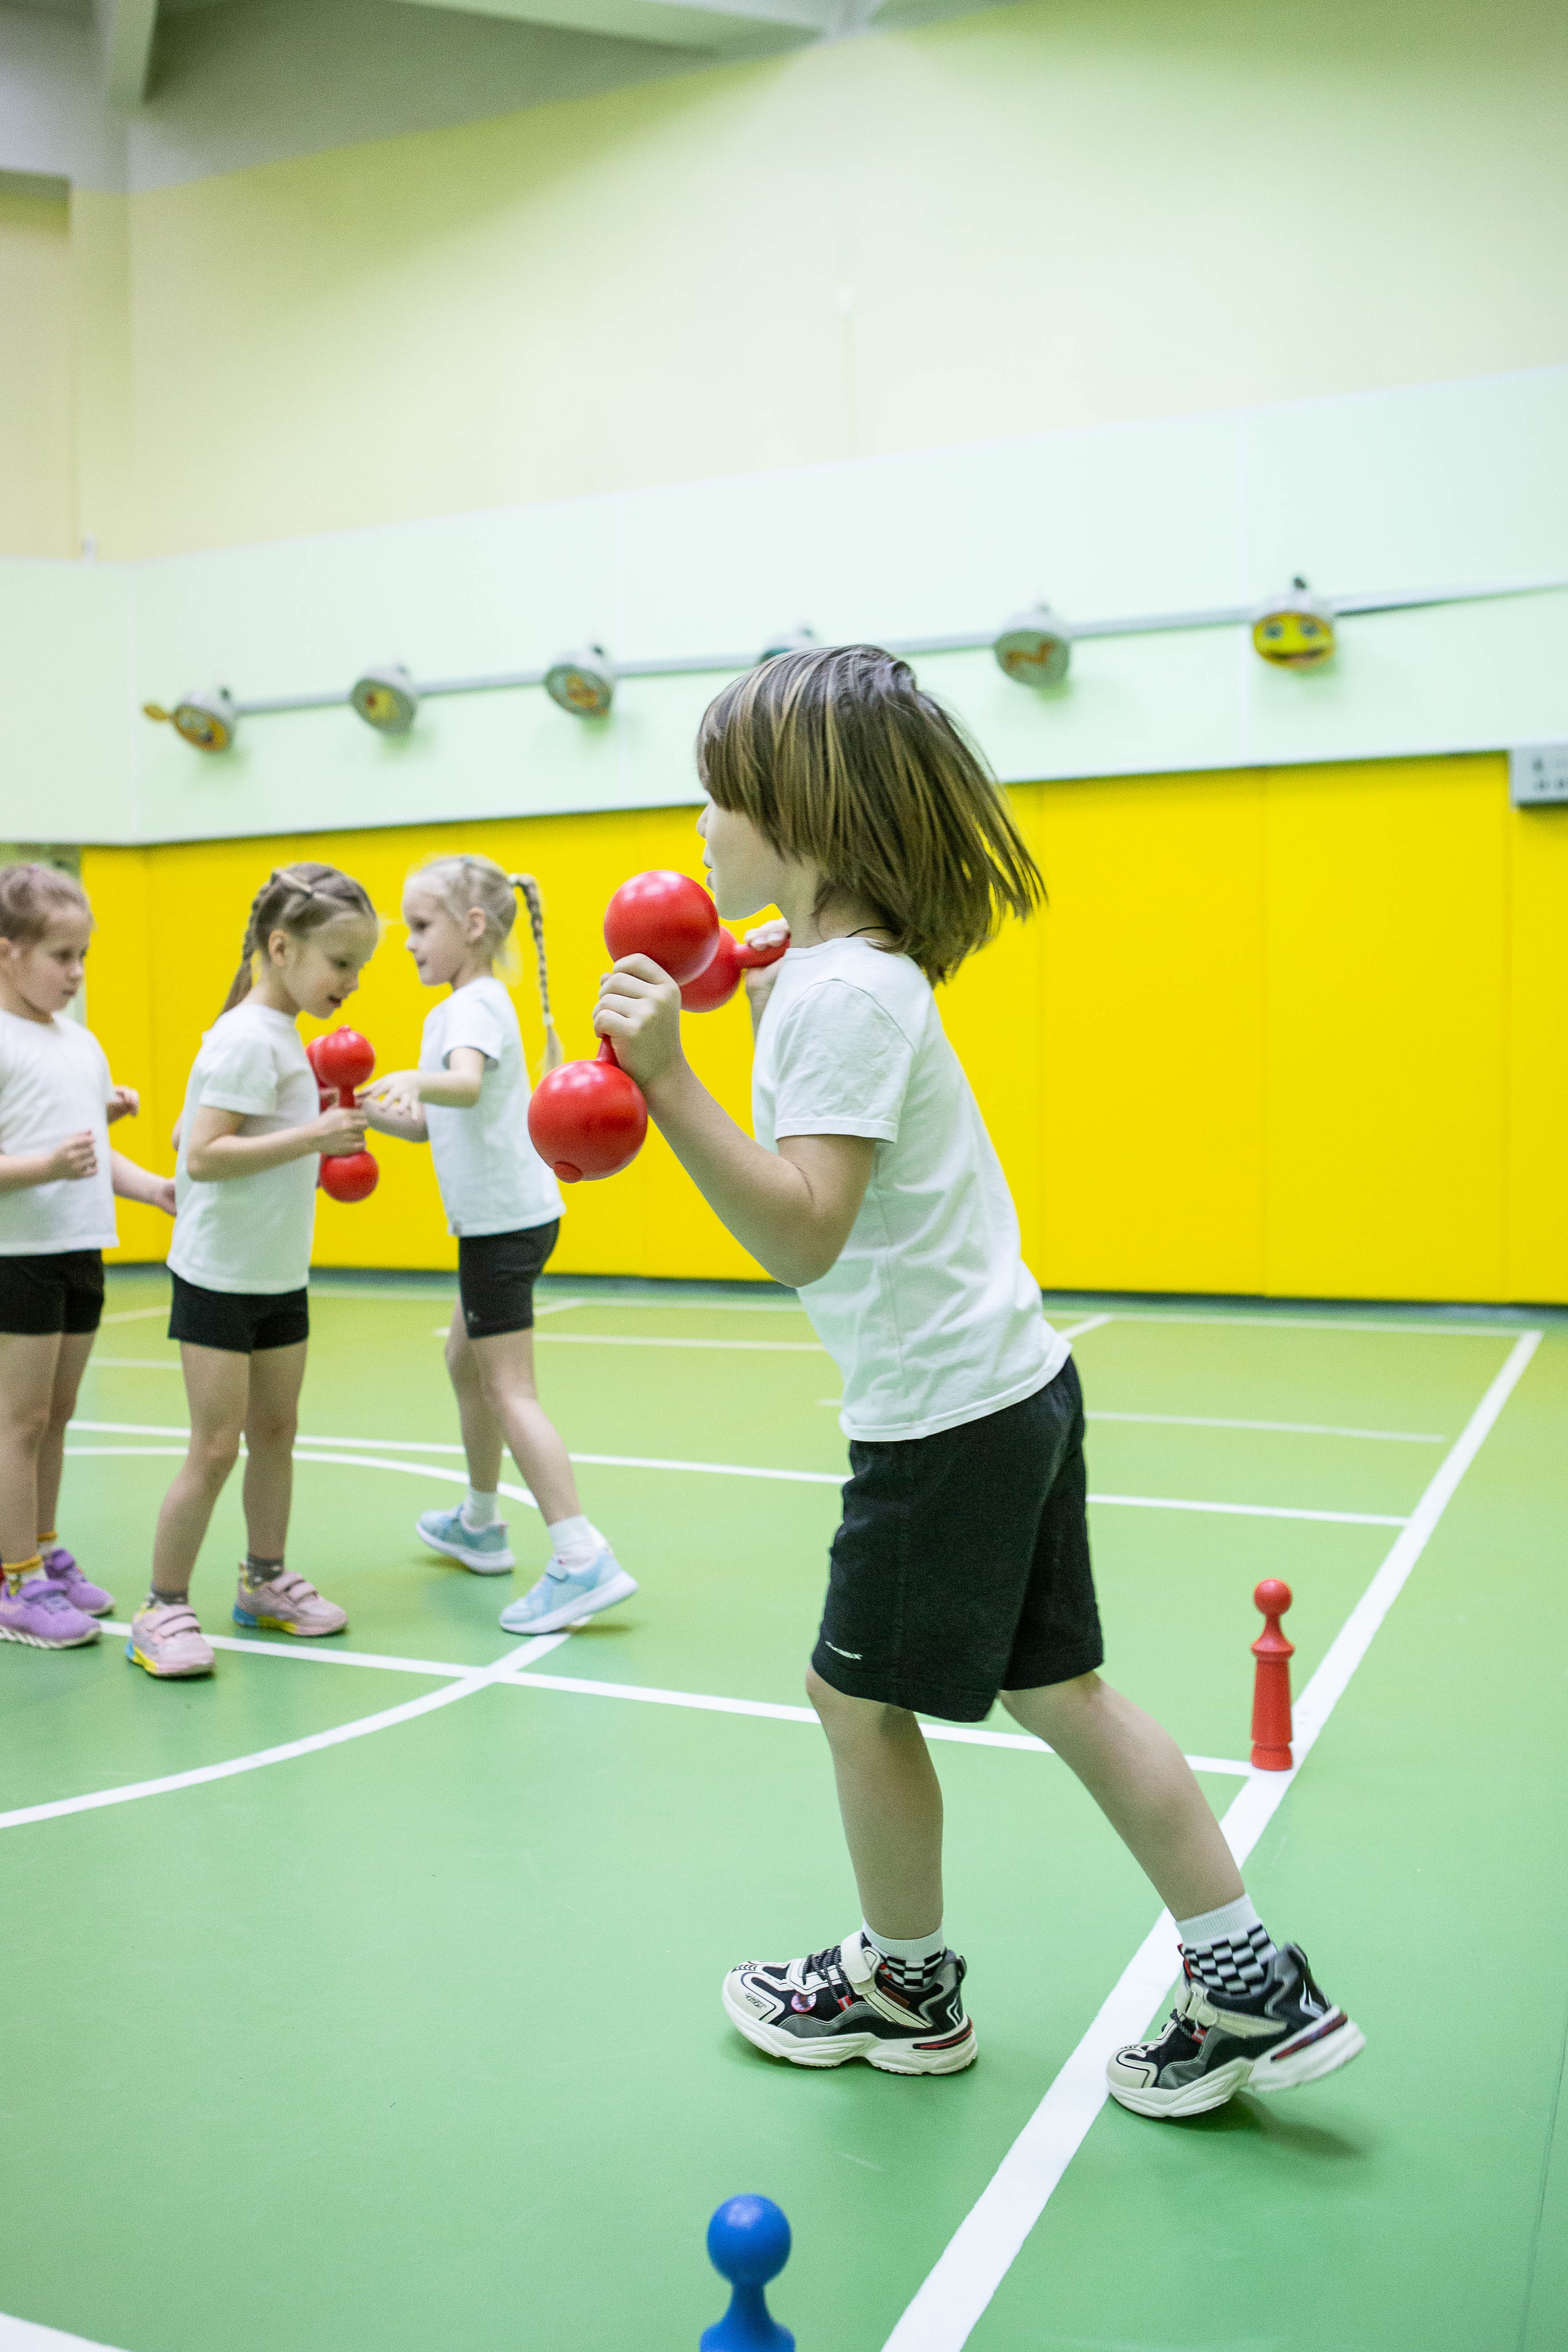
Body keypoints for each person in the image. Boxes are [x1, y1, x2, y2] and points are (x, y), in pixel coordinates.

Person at [592, 644, 1363, 2118]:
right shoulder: (838, 975)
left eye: (716, 798)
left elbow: (804, 1229)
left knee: (849, 1697)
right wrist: (734, 985)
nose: (696, 827)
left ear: (798, 817)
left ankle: (903, 1981)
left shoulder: (838, 999)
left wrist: (668, 1078)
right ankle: (1243, 1970)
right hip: (1009, 1384)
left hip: (940, 1413)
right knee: (1058, 1688)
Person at [363, 855, 635, 1635]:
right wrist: (372, 1113)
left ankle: (581, 1555)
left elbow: (465, 1084)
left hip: (501, 1224)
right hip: (505, 1217)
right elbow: (437, 1115)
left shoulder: (473, 1007)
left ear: (471, 927)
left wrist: (413, 1076)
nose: (408, 942)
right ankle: (479, 1523)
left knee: (509, 1388)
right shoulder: (463, 1005)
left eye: (420, 926)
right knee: (463, 1360)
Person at [126, 863, 379, 1680]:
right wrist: (311, 1139)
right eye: (340, 962)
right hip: (218, 1279)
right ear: (281, 947)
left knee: (276, 1431)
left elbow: (183, 1136)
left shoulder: (273, 1039)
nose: (350, 982)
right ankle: (161, 1606)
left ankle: (263, 1581)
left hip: (275, 1274)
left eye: (358, 967)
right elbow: (201, 1153)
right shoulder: (247, 1037)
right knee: (214, 1447)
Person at [0, 863, 175, 1651]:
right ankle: (15, 1578)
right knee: (19, 1420)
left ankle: (42, 1545)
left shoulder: (79, 1041)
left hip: (79, 1250)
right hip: (19, 1255)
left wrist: (157, 1190)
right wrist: (43, 1167)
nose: (75, 974)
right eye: (59, 956)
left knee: (58, 1415)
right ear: (8, 953)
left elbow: (93, 1153)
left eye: (83, 957)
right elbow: (46, 1157)